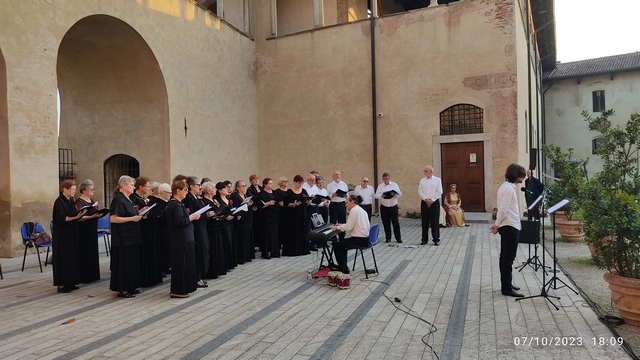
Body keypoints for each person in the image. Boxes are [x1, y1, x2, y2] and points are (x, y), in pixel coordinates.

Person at [490, 163, 527, 298]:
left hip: (508, 225)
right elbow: (503, 209)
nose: (522, 179)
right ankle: (506, 287)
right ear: (516, 175)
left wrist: (498, 224)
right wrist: (497, 224)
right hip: (509, 226)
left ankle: (507, 284)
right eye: (521, 176)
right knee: (508, 259)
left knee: (505, 257)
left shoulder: (506, 187)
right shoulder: (509, 189)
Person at [165, 179, 201, 298]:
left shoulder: (179, 203)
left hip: (185, 239)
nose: (186, 192)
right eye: (185, 190)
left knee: (187, 264)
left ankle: (184, 288)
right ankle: (178, 290)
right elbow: (179, 221)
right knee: (181, 265)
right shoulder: (174, 204)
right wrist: (192, 218)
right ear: (178, 191)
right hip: (181, 240)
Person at [109, 175, 143, 298]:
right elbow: (113, 218)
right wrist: (132, 218)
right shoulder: (118, 199)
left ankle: (131, 286)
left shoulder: (128, 199)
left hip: (132, 236)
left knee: (132, 262)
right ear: (123, 185)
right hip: (123, 238)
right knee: (124, 263)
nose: (134, 187)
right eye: (132, 185)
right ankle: (123, 289)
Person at [53, 179, 87, 293]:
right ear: (64, 189)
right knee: (64, 258)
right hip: (62, 234)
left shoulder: (70, 200)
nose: (74, 192)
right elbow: (62, 218)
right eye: (72, 189)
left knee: (72, 257)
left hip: (71, 232)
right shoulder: (60, 201)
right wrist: (77, 217)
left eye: (74, 189)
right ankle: (62, 284)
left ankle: (71, 281)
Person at [131, 176, 163, 288]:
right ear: (140, 187)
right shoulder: (134, 199)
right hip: (142, 230)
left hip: (150, 228)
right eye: (147, 186)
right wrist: (141, 211)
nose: (149, 189)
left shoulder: (142, 198)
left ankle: (153, 277)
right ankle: (145, 279)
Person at [183, 176, 212, 287]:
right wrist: (206, 214)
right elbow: (190, 214)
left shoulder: (195, 197)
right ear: (191, 186)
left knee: (203, 252)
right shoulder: (188, 198)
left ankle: (200, 276)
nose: (200, 187)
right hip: (196, 229)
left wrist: (206, 214)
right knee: (198, 252)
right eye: (198, 185)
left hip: (202, 227)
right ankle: (196, 278)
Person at [330, 195, 370, 274]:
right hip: (365, 238)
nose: (346, 205)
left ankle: (343, 268)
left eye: (347, 203)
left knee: (337, 245)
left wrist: (336, 227)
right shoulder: (361, 210)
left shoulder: (354, 211)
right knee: (342, 245)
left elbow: (349, 227)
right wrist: (340, 225)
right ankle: (343, 266)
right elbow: (351, 225)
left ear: (352, 202)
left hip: (359, 239)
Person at [75, 179, 102, 284]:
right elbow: (78, 217)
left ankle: (93, 274)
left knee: (92, 250)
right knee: (85, 251)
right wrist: (91, 216)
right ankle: (85, 276)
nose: (93, 191)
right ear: (84, 190)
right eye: (91, 189)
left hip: (92, 228)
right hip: (83, 229)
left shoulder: (92, 201)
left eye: (93, 189)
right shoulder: (79, 202)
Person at [201, 181, 226, 279]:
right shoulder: (205, 201)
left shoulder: (214, 200)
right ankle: (211, 271)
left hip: (217, 225)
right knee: (212, 247)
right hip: (210, 227)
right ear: (208, 190)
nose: (215, 190)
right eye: (214, 188)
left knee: (218, 246)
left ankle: (218, 268)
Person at [282, 175, 311, 256]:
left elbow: (307, 200)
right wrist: (293, 204)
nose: (300, 184)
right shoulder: (289, 192)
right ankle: (292, 250)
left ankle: (303, 249)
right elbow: (285, 204)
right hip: (292, 214)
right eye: (299, 183)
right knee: (293, 230)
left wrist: (308, 202)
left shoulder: (304, 191)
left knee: (302, 229)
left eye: (301, 183)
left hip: (302, 213)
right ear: (295, 182)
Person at [418, 165, 443, 246]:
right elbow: (420, 191)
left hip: (434, 202)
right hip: (425, 202)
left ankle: (436, 239)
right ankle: (424, 239)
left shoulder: (437, 180)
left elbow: (439, 192)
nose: (424, 172)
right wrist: (425, 199)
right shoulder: (422, 180)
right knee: (424, 222)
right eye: (424, 171)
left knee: (435, 222)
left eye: (425, 171)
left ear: (431, 171)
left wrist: (432, 200)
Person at [231, 180, 254, 264]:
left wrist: (251, 207)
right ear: (237, 188)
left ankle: (247, 256)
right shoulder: (235, 196)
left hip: (248, 219)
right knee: (242, 238)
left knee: (247, 237)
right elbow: (236, 207)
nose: (244, 187)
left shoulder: (245, 195)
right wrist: (246, 205)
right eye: (242, 186)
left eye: (245, 186)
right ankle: (242, 257)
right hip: (241, 220)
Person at [216, 181, 238, 269]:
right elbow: (219, 211)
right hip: (223, 224)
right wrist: (225, 217)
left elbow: (232, 209)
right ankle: (226, 263)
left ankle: (231, 262)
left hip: (231, 223)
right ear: (220, 190)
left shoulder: (228, 199)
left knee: (231, 241)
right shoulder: (217, 200)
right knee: (226, 242)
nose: (227, 189)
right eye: (225, 188)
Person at [375, 173, 402, 243]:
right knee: (386, 223)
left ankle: (398, 238)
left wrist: (394, 194)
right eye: (384, 179)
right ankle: (388, 238)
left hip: (393, 206)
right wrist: (381, 195)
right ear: (383, 179)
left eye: (387, 178)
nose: (386, 180)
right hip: (384, 207)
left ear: (389, 178)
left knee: (395, 223)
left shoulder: (394, 184)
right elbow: (376, 195)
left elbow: (399, 194)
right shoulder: (380, 186)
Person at [258, 178, 279, 259]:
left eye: (272, 183)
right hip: (266, 216)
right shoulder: (261, 194)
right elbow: (260, 206)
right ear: (265, 184)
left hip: (274, 215)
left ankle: (274, 251)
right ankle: (266, 252)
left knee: (274, 234)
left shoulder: (274, 192)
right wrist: (269, 203)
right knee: (266, 235)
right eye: (270, 183)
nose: (272, 185)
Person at [326, 170, 349, 241]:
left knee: (342, 221)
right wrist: (332, 194)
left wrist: (344, 195)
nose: (337, 176)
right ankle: (333, 237)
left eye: (338, 174)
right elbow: (327, 196)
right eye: (336, 174)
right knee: (333, 221)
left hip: (342, 204)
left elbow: (347, 195)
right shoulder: (329, 185)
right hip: (334, 204)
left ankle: (342, 236)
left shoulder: (344, 184)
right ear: (333, 176)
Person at [247, 174, 263, 254]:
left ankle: (261, 244)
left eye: (257, 179)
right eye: (254, 179)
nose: (256, 181)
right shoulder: (250, 189)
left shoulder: (261, 188)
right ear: (251, 181)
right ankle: (255, 244)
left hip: (262, 209)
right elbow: (251, 198)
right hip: (255, 210)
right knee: (256, 227)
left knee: (262, 227)